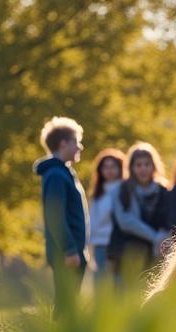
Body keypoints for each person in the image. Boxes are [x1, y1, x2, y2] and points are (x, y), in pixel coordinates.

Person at [33, 116, 89, 319]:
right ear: (63, 143)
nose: (80, 147)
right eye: (76, 142)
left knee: (70, 304)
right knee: (66, 306)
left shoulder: (64, 172)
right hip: (66, 253)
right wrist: (69, 250)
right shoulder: (56, 175)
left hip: (73, 251)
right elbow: (54, 215)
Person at [109, 142, 170, 292]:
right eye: (138, 165)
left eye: (147, 164)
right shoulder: (122, 190)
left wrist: (162, 238)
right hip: (127, 255)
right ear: (131, 167)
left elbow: (169, 218)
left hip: (155, 256)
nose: (143, 169)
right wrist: (155, 237)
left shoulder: (164, 190)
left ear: (154, 166)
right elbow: (125, 221)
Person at [87, 148, 126, 291]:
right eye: (105, 167)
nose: (109, 171)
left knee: (118, 285)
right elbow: (93, 219)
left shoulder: (124, 189)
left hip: (117, 244)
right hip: (100, 244)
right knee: (100, 285)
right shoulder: (98, 192)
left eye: (113, 167)